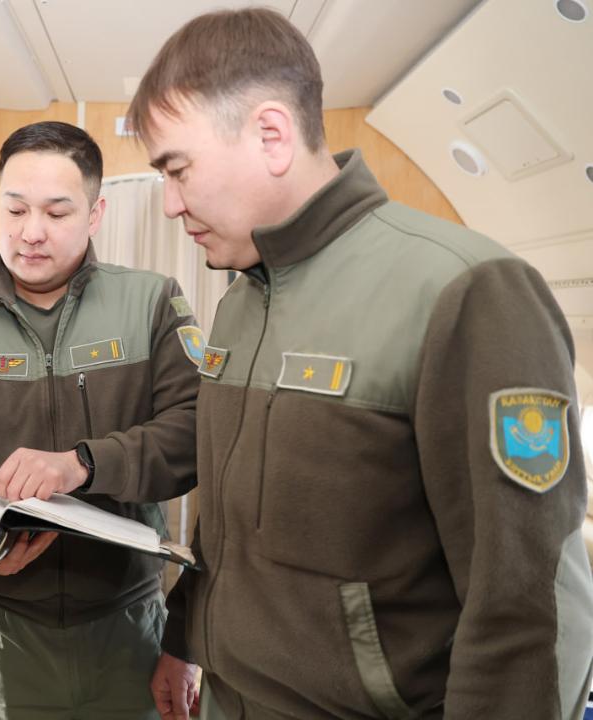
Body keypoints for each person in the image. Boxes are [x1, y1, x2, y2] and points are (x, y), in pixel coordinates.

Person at [126, 8, 593, 720]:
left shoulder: (466, 291)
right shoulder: (241, 301)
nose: (169, 204)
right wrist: (184, 636)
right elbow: (223, 525)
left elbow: (526, 606)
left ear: (271, 135)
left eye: (178, 169)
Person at [0, 120, 200, 719]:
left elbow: (193, 434)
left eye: (57, 213)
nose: (30, 232)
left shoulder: (152, 303)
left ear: (95, 214)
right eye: (15, 210)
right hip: (5, 626)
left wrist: (82, 465)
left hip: (129, 620)